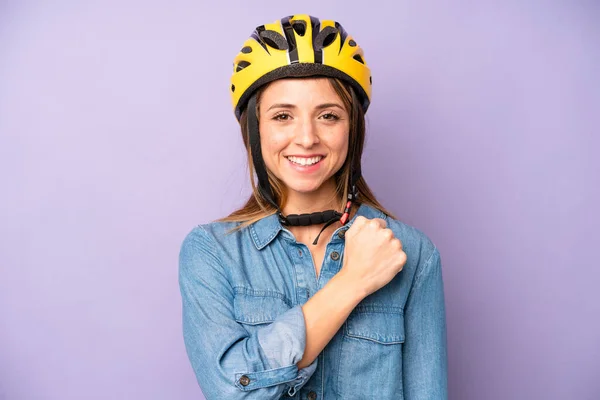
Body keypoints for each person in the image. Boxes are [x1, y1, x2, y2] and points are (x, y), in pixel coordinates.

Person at [178, 14, 448, 400]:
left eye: (328, 116)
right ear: (255, 130)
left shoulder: (412, 253)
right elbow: (232, 391)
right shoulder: (210, 252)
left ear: (352, 127)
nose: (306, 138)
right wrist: (352, 283)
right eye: (283, 116)